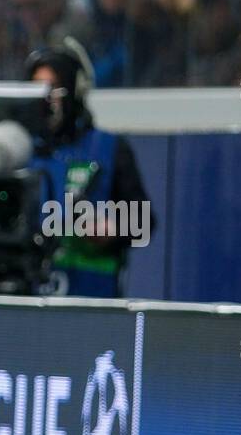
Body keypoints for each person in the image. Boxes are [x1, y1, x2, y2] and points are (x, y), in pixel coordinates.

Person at [24, 40, 154, 297]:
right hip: (27, 297)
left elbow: (145, 222)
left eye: (53, 89)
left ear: (75, 90)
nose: (46, 100)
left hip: (92, 298)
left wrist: (113, 230)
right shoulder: (16, 149)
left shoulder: (109, 148)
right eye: (37, 90)